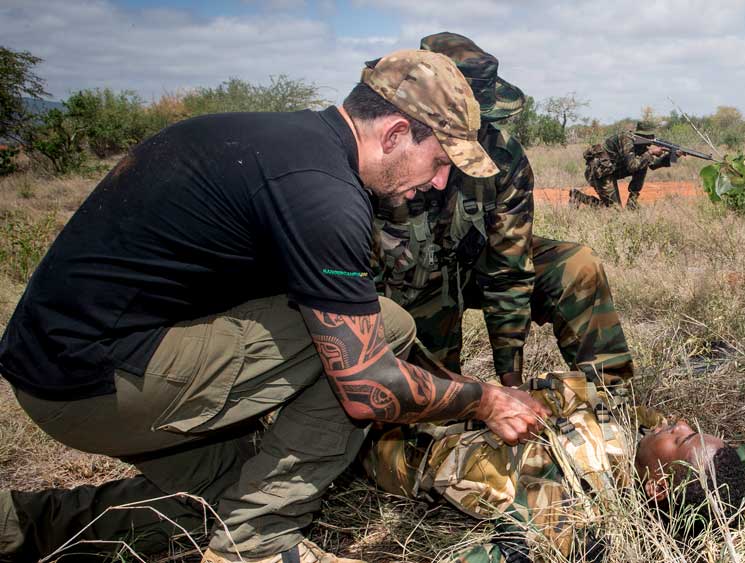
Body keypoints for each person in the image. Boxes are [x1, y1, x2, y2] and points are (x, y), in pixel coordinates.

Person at [0, 50, 550, 563]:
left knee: (220, 499)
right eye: (438, 160)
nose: (439, 182)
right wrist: (485, 401)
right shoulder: (322, 194)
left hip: (55, 369)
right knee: (388, 326)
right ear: (396, 132)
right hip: (99, 382)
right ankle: (257, 546)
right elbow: (366, 388)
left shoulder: (279, 142)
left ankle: (16, 525)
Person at [375, 32, 635, 392]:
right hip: (404, 286)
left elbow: (508, 268)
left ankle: (612, 401)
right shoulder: (379, 152)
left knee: (577, 264)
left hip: (475, 262)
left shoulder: (503, 155)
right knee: (434, 406)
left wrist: (510, 378)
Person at [361, 370, 745, 563]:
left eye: (681, 438)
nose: (680, 424)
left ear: (658, 488)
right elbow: (736, 465)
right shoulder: (646, 446)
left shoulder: (565, 512)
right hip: (459, 399)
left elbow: (500, 554)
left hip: (395, 438)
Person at [572, 122, 681, 210]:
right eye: (650, 137)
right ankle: (579, 197)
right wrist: (651, 153)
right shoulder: (626, 139)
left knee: (643, 163)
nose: (652, 140)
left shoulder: (641, 144)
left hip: (613, 170)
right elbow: (632, 166)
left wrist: (673, 156)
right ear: (641, 135)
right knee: (613, 212)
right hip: (600, 174)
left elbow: (652, 164)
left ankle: (631, 203)